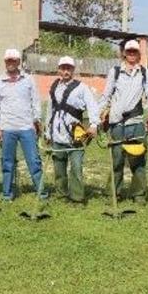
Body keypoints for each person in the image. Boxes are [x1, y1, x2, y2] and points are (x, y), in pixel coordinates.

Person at [98, 40, 148, 203]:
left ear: (139, 54)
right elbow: (106, 95)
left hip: (136, 123)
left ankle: (138, 194)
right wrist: (96, 117)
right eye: (129, 51)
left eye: (134, 51)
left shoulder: (145, 73)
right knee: (116, 160)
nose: (131, 54)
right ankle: (113, 194)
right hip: (117, 123)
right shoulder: (115, 72)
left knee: (138, 161)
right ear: (124, 53)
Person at [0, 48, 44, 201]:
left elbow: (36, 101)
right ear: (5, 62)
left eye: (13, 60)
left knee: (34, 160)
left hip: (27, 128)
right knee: (7, 162)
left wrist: (36, 120)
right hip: (7, 129)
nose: (10, 63)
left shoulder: (28, 79)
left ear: (18, 62)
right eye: (8, 61)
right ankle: (7, 193)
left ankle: (41, 192)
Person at [44, 56, 99, 203]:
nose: (65, 71)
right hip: (57, 134)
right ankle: (61, 194)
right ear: (58, 69)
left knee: (76, 167)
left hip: (76, 135)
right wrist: (47, 132)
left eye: (69, 68)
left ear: (73, 70)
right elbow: (50, 110)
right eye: (63, 68)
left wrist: (93, 125)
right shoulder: (54, 86)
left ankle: (76, 197)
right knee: (59, 167)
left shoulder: (82, 88)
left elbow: (92, 106)